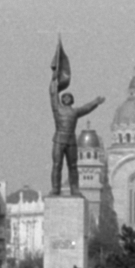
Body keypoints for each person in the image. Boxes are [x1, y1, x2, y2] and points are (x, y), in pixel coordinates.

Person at [48, 52, 105, 197]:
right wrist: (54, 75)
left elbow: (86, 108)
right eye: (64, 97)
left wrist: (95, 102)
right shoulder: (57, 109)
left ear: (72, 101)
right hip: (59, 140)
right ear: (61, 100)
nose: (66, 98)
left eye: (68, 97)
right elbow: (53, 93)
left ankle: (75, 189)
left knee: (73, 166)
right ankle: (55, 189)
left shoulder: (74, 112)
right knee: (57, 165)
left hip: (72, 141)